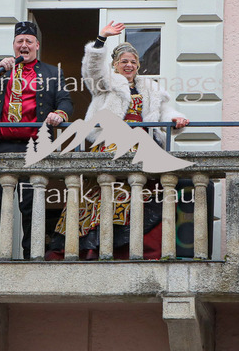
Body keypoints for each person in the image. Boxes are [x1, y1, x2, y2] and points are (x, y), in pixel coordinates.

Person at [48, 21, 189, 260]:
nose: (129, 65)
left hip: (142, 147)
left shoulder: (151, 88)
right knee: (102, 197)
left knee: (145, 198)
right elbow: (92, 70)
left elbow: (165, 111)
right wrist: (101, 39)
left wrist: (176, 119)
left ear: (138, 66)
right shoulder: (107, 84)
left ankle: (138, 251)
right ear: (115, 64)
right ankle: (94, 249)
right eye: (124, 61)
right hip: (111, 144)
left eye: (133, 61)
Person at [0, 21, 73, 259]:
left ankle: (31, 255)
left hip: (34, 147)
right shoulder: (2, 69)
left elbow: (65, 101)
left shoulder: (52, 73)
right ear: (14, 45)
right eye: (20, 41)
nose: (24, 45)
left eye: (29, 41)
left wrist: (60, 114)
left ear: (37, 45)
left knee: (31, 204)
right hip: (2, 145)